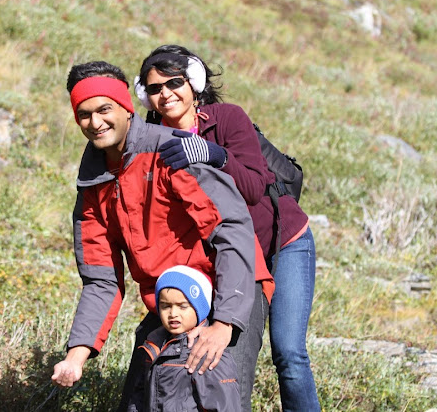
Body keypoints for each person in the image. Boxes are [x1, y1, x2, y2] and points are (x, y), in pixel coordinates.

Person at [50, 61, 274, 412]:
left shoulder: (171, 151)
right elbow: (101, 280)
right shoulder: (92, 183)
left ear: (126, 107)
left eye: (104, 109)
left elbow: (231, 232)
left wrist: (223, 323)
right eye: (84, 114)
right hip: (170, 303)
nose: (95, 123)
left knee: (218, 398)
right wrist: (76, 356)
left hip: (229, 289)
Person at [135, 45, 320, 411]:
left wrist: (214, 154)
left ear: (194, 84)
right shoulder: (150, 136)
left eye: (174, 83)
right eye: (155, 89)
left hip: (282, 244)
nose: (165, 94)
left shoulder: (228, 118)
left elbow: (253, 187)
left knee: (288, 353)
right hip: (227, 253)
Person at [128, 265, 240, 412]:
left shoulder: (208, 353)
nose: (173, 313)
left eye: (182, 306)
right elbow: (138, 399)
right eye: (165, 306)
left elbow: (225, 406)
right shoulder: (153, 346)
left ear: (199, 308)